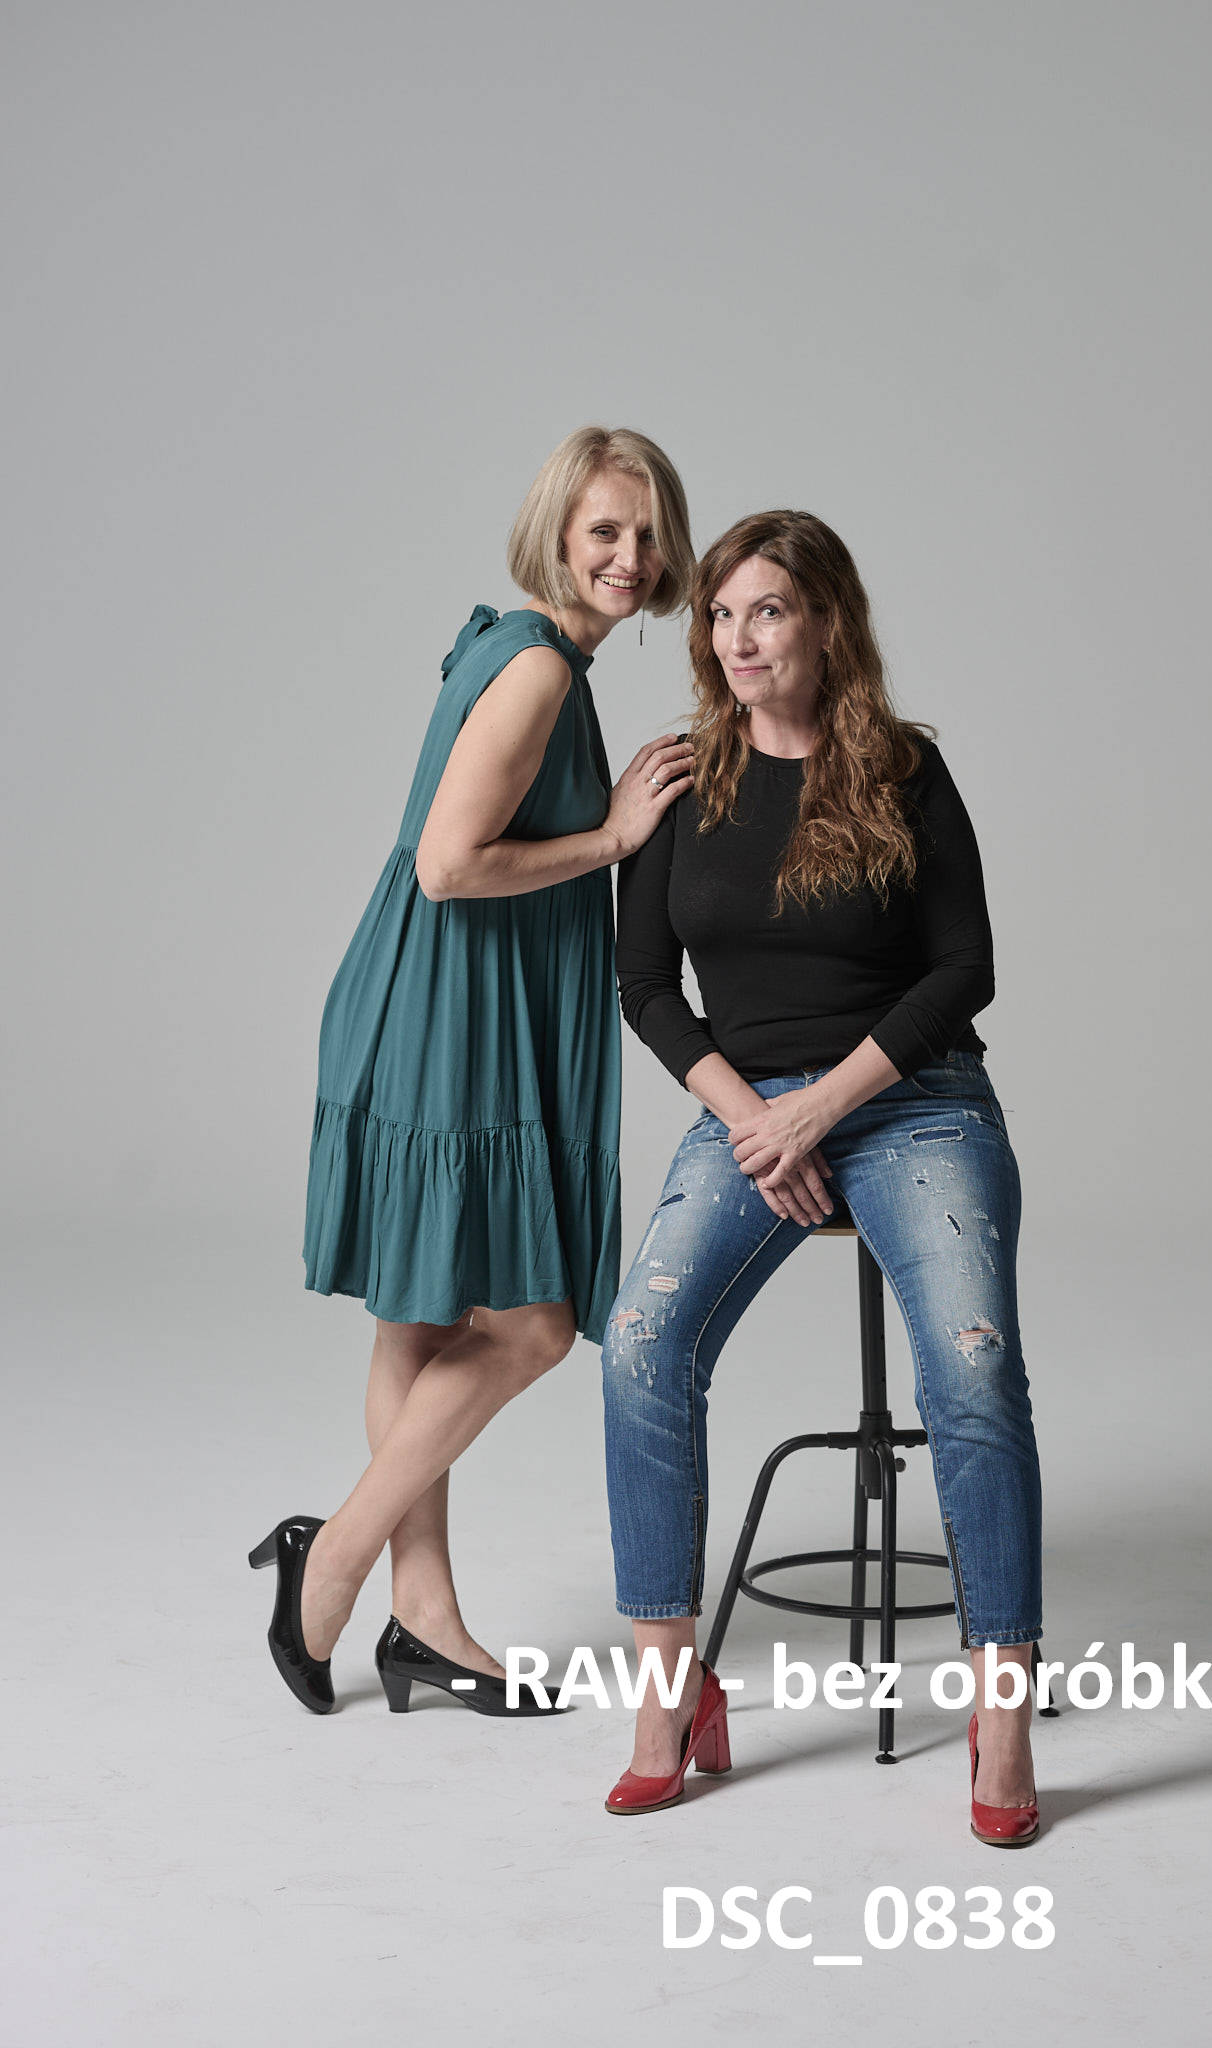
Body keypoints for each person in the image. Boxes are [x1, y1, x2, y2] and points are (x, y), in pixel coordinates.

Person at [600, 510, 1043, 1843]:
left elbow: (964, 970)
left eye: (768, 611)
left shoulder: (904, 770)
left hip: (912, 1104)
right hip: (750, 1112)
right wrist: (759, 1124)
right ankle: (671, 1699)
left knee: (971, 1365)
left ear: (826, 623)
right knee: (639, 1344)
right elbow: (643, 984)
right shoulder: (683, 781)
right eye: (720, 614)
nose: (737, 639)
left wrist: (824, 1111)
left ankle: (1002, 1714)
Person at [250, 426, 696, 1719]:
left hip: (432, 999)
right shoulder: (540, 667)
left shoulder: (530, 648)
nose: (629, 555)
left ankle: (424, 1619)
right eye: (603, 530)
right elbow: (450, 865)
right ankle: (332, 1561)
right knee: (532, 1327)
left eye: (646, 532)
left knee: (419, 1317)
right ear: (557, 533)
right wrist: (613, 837)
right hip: (451, 1011)